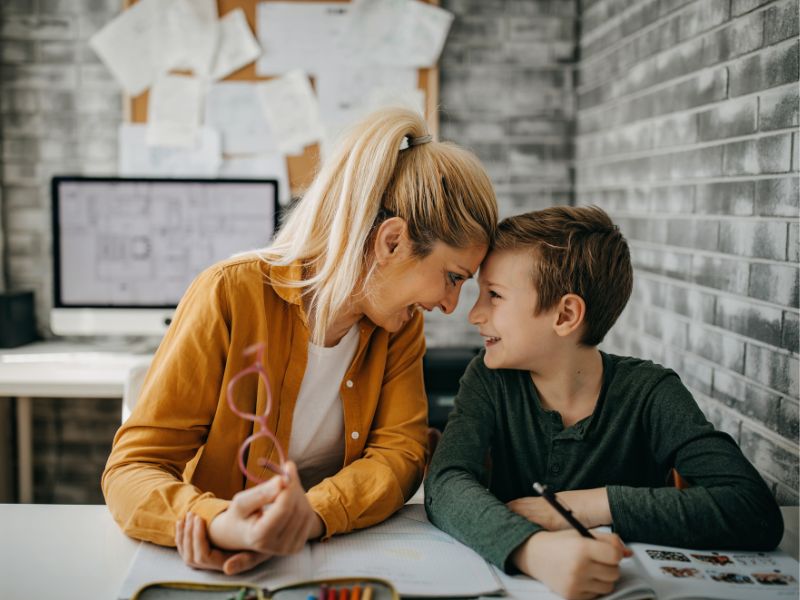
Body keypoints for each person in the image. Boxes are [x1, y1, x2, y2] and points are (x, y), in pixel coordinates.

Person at [102, 107, 498, 576]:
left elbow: (401, 454)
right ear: (391, 243)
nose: (451, 305)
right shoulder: (229, 293)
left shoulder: (399, 328)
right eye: (452, 278)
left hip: (325, 560)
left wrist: (309, 516)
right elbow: (133, 468)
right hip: (224, 572)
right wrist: (219, 522)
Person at [424, 206, 783, 600]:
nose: (474, 313)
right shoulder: (488, 380)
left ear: (565, 315)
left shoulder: (651, 391)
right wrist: (533, 550)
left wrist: (592, 504)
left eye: (494, 295)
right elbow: (445, 482)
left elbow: (753, 509)